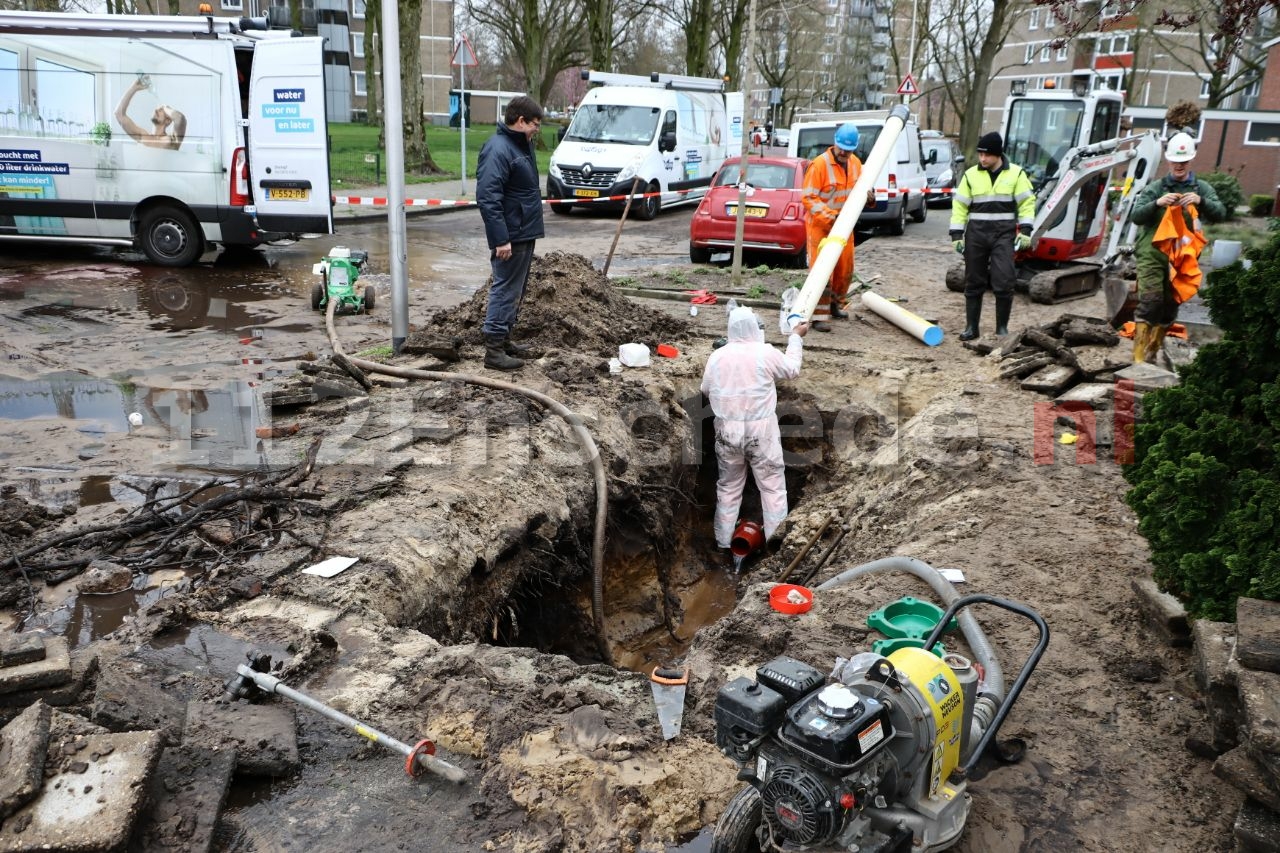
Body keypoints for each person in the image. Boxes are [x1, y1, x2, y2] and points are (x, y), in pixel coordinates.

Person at [701, 307, 809, 557]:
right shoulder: (765, 352)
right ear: (754, 327)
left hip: (727, 431)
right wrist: (796, 336)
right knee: (772, 488)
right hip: (761, 431)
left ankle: (723, 542)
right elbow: (792, 369)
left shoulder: (717, 356)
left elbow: (706, 389)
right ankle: (774, 546)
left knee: (728, 486)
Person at [1128, 132, 1226, 363]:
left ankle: (1153, 350)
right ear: (1168, 161)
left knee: (1170, 306)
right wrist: (1157, 203)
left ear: (1190, 160)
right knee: (1151, 301)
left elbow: (1221, 213)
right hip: (1152, 254)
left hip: (1182, 258)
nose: (1179, 165)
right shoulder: (1156, 188)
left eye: (1183, 161)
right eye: (1175, 161)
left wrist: (1201, 201)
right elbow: (1136, 216)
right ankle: (1138, 359)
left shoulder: (1201, 188)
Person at [476, 95, 545, 370]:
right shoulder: (498, 149)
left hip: (523, 229)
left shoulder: (520, 144)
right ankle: (493, 352)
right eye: (535, 125)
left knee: (516, 289)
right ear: (520, 121)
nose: (537, 130)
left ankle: (503, 340)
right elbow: (488, 197)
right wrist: (501, 239)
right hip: (511, 234)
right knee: (504, 289)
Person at [950, 131, 1035, 340]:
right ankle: (971, 328)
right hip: (976, 234)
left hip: (1003, 234)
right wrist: (957, 235)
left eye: (986, 155)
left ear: (998, 154)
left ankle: (1002, 329)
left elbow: (1027, 203)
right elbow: (960, 206)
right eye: (980, 154)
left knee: (1004, 279)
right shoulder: (971, 175)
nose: (982, 158)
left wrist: (1025, 231)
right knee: (973, 281)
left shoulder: (1016, 174)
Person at [801, 123, 873, 331]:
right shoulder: (819, 165)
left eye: (848, 150)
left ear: (854, 149)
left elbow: (861, 189)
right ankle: (818, 315)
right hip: (821, 227)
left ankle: (835, 305)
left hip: (844, 226)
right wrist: (830, 217)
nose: (843, 152)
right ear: (834, 142)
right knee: (823, 271)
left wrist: (869, 198)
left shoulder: (856, 164)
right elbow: (808, 197)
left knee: (845, 269)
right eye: (841, 147)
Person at [115, 76, 186, 150]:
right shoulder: (143, 136)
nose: (156, 110)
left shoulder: (171, 141)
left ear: (168, 120)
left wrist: (165, 107)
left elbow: (180, 118)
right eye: (157, 109)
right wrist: (134, 88)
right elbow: (119, 114)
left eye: (161, 110)